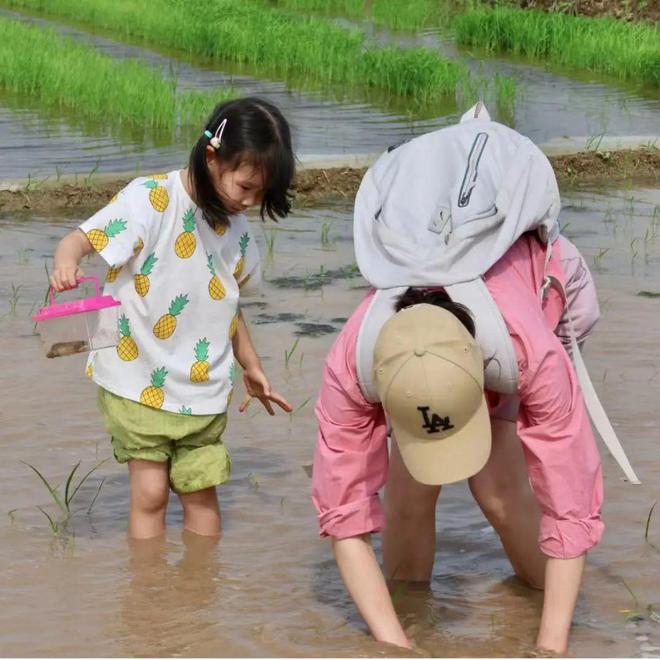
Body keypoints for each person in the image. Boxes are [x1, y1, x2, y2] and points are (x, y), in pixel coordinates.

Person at [312, 234, 604, 653]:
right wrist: (395, 645)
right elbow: (343, 512)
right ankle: (408, 611)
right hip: (439, 340)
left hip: (545, 291)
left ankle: (552, 604)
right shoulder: (353, 369)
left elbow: (571, 502)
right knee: (408, 494)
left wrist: (549, 648)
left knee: (497, 491)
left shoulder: (529, 355)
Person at [50, 97, 294, 539]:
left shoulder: (236, 230)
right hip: (136, 379)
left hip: (204, 388)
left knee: (202, 493)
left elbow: (227, 305)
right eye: (245, 187)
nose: (250, 201)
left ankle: (200, 597)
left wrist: (251, 365)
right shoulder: (151, 199)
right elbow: (79, 239)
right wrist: (66, 262)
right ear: (211, 157)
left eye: (262, 193)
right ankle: (149, 598)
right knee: (151, 495)